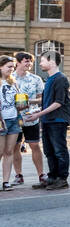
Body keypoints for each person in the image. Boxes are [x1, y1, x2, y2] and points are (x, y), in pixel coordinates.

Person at [29, 50, 70, 190]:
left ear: (52, 62)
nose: (40, 63)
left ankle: (62, 179)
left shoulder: (60, 79)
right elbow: (47, 100)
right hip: (48, 119)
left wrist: (39, 114)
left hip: (58, 119)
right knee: (49, 151)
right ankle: (52, 177)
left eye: (42, 60)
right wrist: (31, 102)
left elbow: (58, 102)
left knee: (59, 150)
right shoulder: (49, 79)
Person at [12, 51, 45, 187]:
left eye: (30, 61)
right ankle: (18, 175)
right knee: (15, 146)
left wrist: (29, 101)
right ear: (18, 62)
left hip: (31, 117)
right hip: (14, 118)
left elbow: (41, 98)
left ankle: (41, 175)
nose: (29, 64)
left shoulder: (36, 79)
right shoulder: (9, 78)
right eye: (26, 61)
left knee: (35, 145)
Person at [0, 57, 20, 192]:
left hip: (13, 119)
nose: (11, 69)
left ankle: (6, 182)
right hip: (1, 120)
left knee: (9, 151)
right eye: (9, 66)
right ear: (0, 67)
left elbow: (18, 100)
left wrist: (23, 104)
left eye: (13, 67)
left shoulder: (13, 82)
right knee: (0, 152)